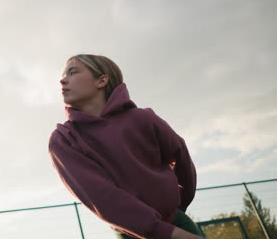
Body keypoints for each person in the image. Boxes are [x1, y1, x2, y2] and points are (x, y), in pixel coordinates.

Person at [48, 54, 203, 239]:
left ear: (102, 80)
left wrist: (179, 206)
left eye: (72, 72)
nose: (62, 80)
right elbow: (102, 197)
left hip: (177, 222)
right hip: (134, 234)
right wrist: (166, 233)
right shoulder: (64, 140)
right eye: (64, 74)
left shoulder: (143, 118)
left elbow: (181, 155)